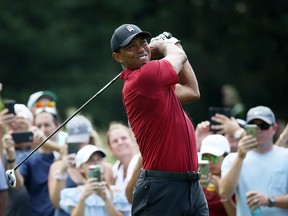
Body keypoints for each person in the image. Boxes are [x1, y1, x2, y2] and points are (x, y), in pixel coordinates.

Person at [111, 24, 207, 215]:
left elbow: (192, 91)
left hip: (191, 186)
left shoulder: (155, 85)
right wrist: (167, 44)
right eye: (131, 46)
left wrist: (173, 46)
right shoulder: (143, 78)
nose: (140, 48)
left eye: (143, 42)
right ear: (118, 57)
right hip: (161, 188)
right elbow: (178, 57)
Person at [219, 106, 288, 215]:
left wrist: (269, 200)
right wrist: (240, 157)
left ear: (274, 129)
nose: (259, 130)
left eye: (264, 126)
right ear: (247, 129)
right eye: (254, 126)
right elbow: (224, 193)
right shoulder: (233, 159)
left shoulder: (285, 156)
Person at [48, 114, 114, 216]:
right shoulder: (57, 166)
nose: (79, 145)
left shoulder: (105, 167)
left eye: (82, 141)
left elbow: (110, 201)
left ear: (90, 139)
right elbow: (57, 203)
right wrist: (62, 171)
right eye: (75, 141)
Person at [4, 106, 63, 216]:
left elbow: (67, 153)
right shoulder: (29, 157)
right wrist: (11, 155)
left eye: (47, 125)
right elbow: (16, 184)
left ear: (58, 127)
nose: (43, 129)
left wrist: (46, 143)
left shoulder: (64, 150)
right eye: (39, 126)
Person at [59, 144, 131, 216]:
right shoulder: (73, 194)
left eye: (99, 159)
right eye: (90, 161)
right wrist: (83, 198)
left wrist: (106, 199)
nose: (96, 163)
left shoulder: (115, 192)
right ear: (80, 168)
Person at [199, 134, 236, 216]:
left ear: (226, 157)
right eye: (205, 158)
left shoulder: (234, 181)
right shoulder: (198, 182)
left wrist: (223, 194)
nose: (210, 162)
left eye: (215, 158)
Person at [106, 122, 139, 193]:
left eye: (124, 138)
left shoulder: (143, 164)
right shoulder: (113, 170)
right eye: (115, 141)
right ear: (110, 149)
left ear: (133, 141)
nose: (120, 142)